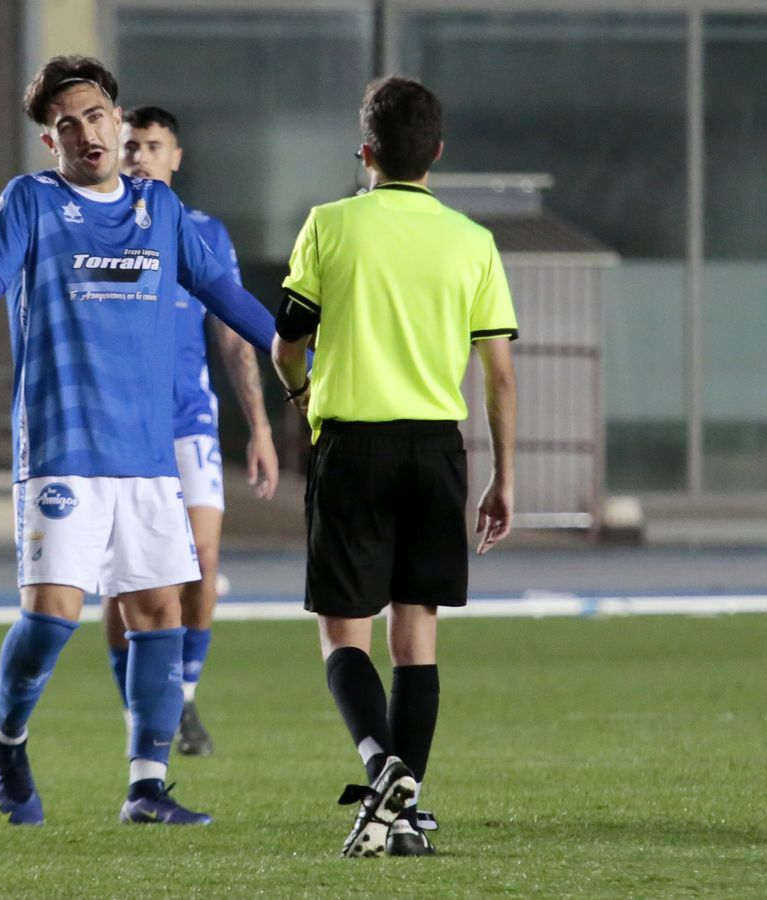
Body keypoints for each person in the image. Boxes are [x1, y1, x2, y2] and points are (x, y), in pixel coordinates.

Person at [0, 55, 277, 827]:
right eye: (66, 126)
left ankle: (147, 787)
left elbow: (226, 295)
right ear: (50, 144)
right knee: (52, 615)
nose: (86, 133)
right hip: (61, 446)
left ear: (120, 124)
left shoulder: (162, 211)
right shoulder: (31, 202)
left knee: (160, 613)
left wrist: (302, 361)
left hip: (148, 455)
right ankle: (7, 738)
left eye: (96, 117)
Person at [270, 75, 519, 858]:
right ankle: (406, 815)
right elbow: (500, 373)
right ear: (437, 153)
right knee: (417, 636)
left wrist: (299, 390)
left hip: (352, 445)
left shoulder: (330, 225)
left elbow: (288, 339)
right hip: (437, 449)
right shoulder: (472, 241)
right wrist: (502, 477)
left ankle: (380, 768)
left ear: (365, 151)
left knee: (344, 631)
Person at [100, 105, 279, 758]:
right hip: (119, 428)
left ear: (176, 157)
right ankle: (137, 717)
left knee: (201, 559)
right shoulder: (99, 228)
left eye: (152, 146)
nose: (140, 156)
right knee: (126, 579)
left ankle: (186, 698)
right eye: (130, 146)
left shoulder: (203, 232)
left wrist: (259, 425)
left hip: (187, 422)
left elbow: (232, 336)